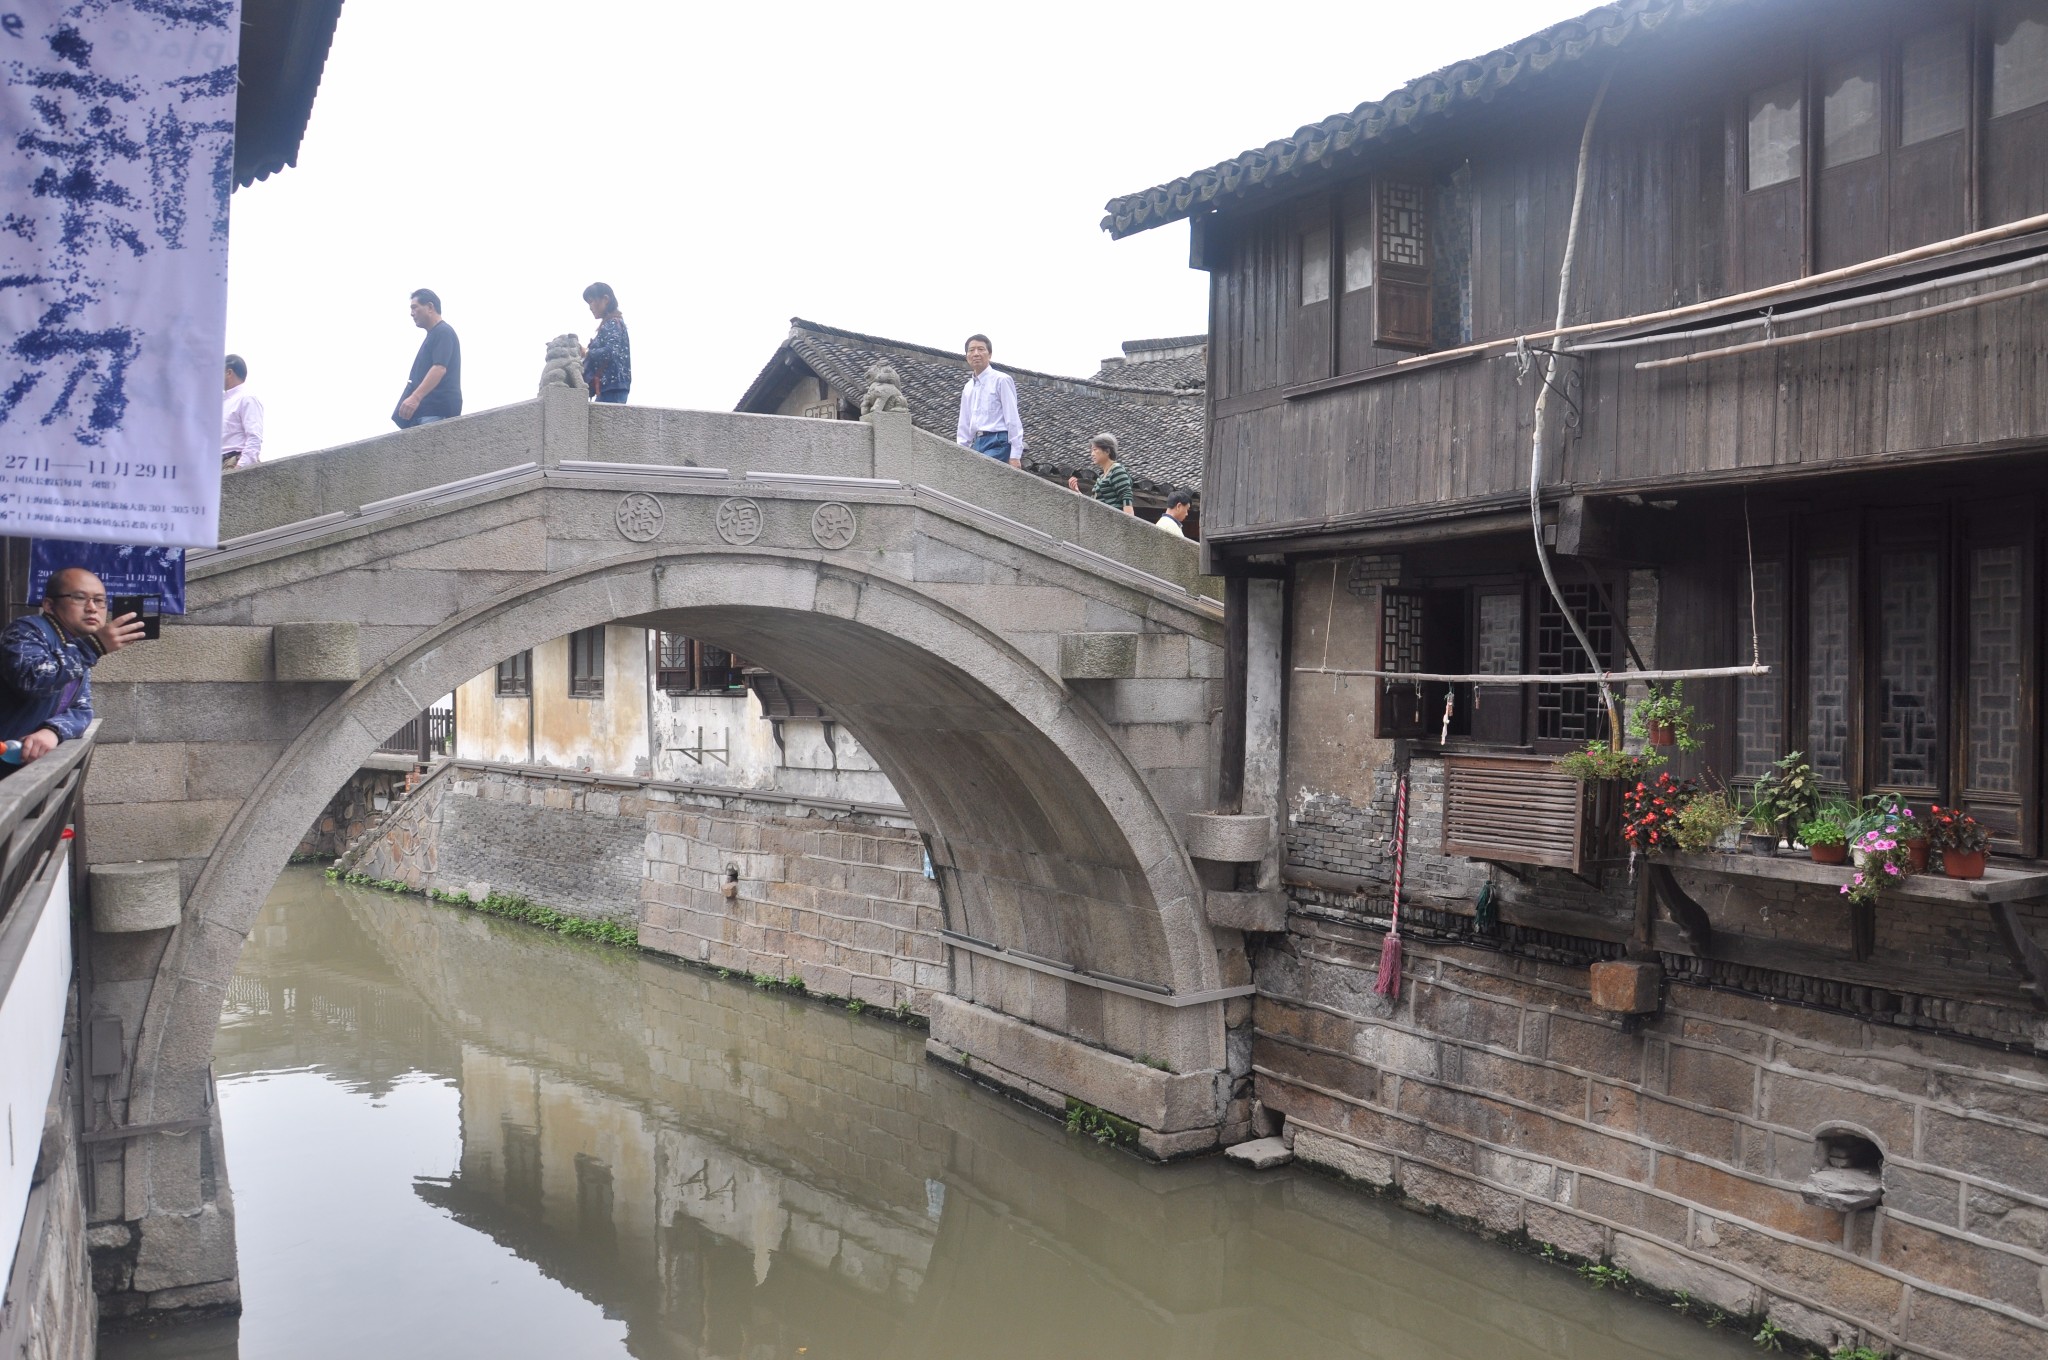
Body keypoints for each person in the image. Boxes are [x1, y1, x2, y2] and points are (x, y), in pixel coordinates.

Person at [0, 568, 145, 765]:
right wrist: (94, 647)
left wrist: (53, 731)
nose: (92, 608)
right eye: (79, 597)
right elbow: (31, 680)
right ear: (49, 605)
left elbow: (82, 709)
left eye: (100, 600)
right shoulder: (26, 630)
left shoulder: (74, 644)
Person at [394, 289, 462, 427]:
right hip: (426, 412)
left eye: (415, 307)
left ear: (430, 307)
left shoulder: (443, 332)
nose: (411, 313)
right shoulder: (434, 334)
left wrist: (415, 397)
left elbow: (439, 368)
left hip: (436, 411)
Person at [954, 333, 1023, 466]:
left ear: (989, 354)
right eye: (971, 350)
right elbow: (964, 422)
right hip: (977, 442)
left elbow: (1012, 418)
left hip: (998, 441)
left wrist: (1015, 455)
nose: (976, 353)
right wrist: (960, 451)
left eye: (981, 349)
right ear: (967, 356)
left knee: (981, 472)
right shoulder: (968, 388)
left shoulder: (1001, 380)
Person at [580, 282, 631, 403]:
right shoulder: (611, 323)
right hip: (608, 388)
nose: (590, 307)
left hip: (612, 389)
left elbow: (610, 351)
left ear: (605, 299)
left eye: (591, 301)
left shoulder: (613, 323)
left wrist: (587, 353)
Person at [1067, 433, 1133, 514]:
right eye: (1091, 451)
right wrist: (1078, 492)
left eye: (1095, 450)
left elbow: (1126, 497)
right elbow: (1095, 504)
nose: (1092, 454)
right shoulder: (1101, 477)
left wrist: (1129, 524)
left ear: (1107, 451)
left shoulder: (1117, 470)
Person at [221, 354, 264, 472]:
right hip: (217, 464)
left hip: (233, 462)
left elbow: (254, 436)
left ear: (229, 373)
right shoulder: (221, 402)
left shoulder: (247, 398)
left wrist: (240, 467)